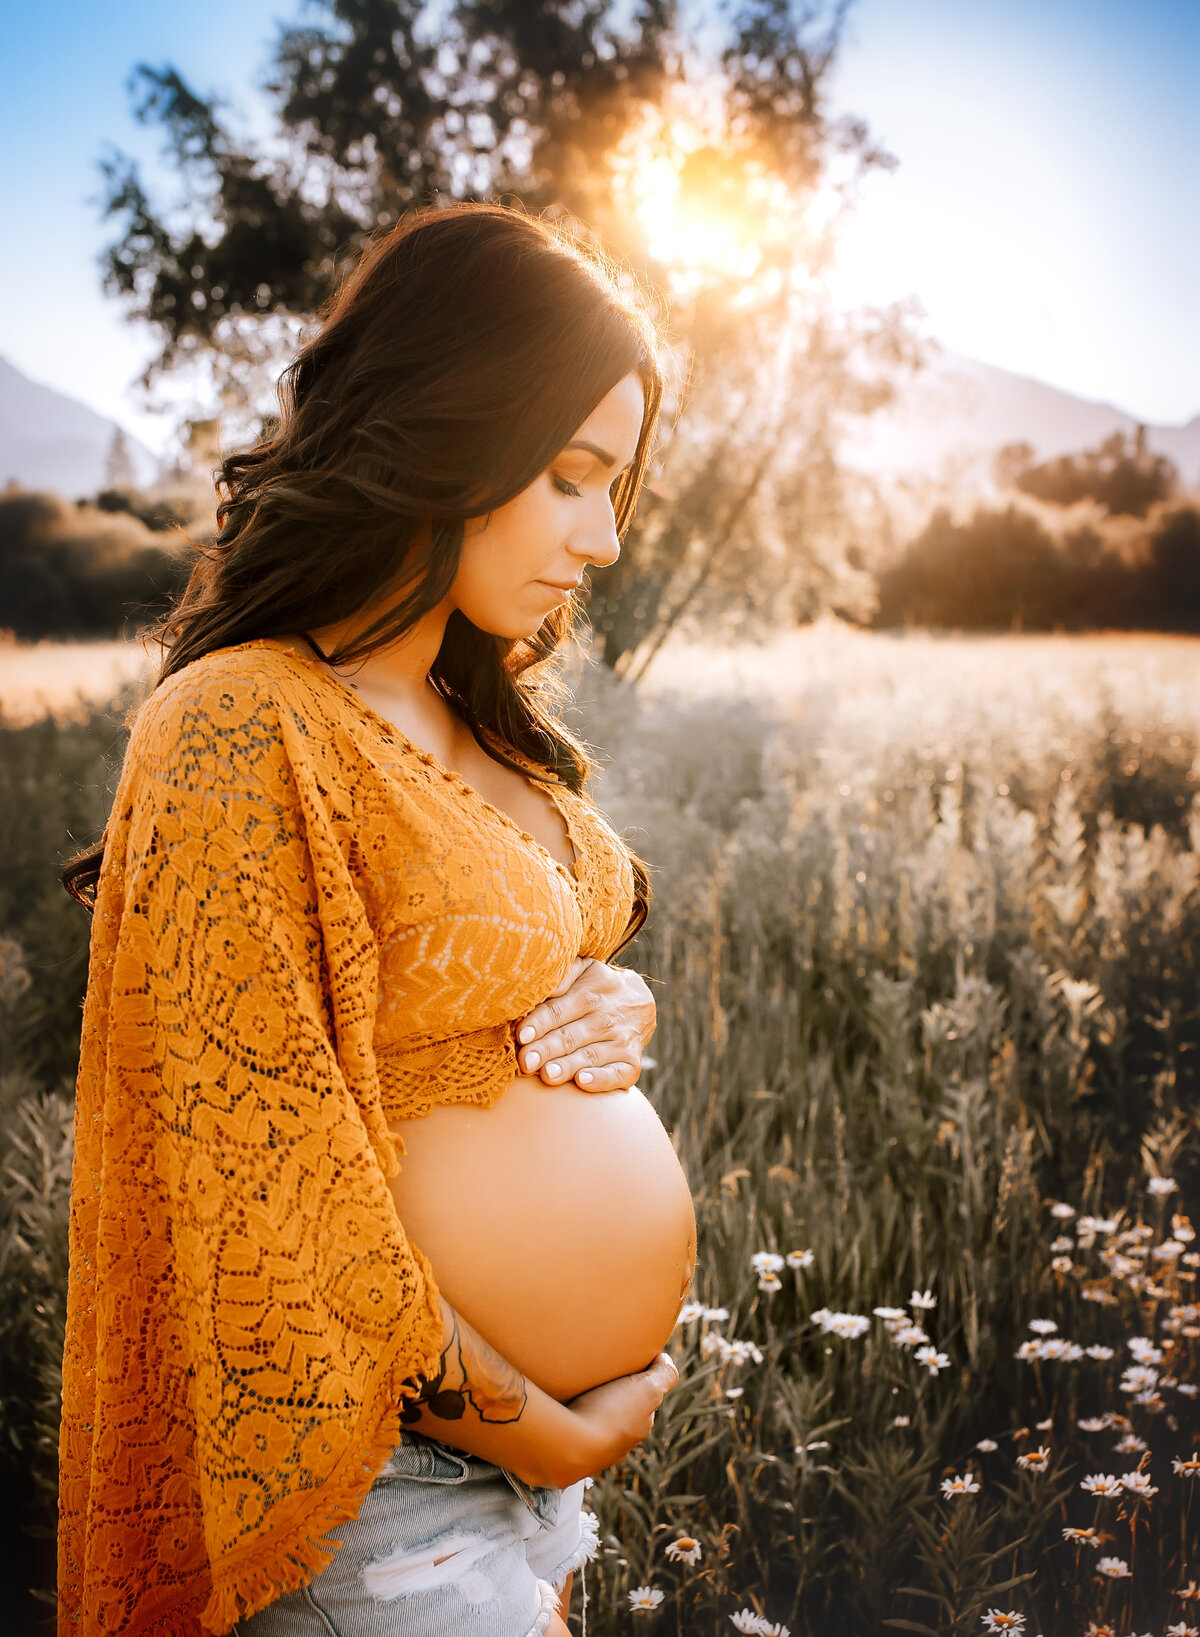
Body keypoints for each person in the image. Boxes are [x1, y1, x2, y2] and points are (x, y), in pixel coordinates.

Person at [57, 201, 696, 1637]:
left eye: (619, 487)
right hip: (377, 1485)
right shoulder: (240, 725)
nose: (602, 537)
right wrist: (530, 1420)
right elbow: (273, 1187)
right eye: (574, 476)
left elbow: (526, 942)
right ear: (451, 427)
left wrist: (616, 999)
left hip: (526, 1493)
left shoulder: (478, 713)